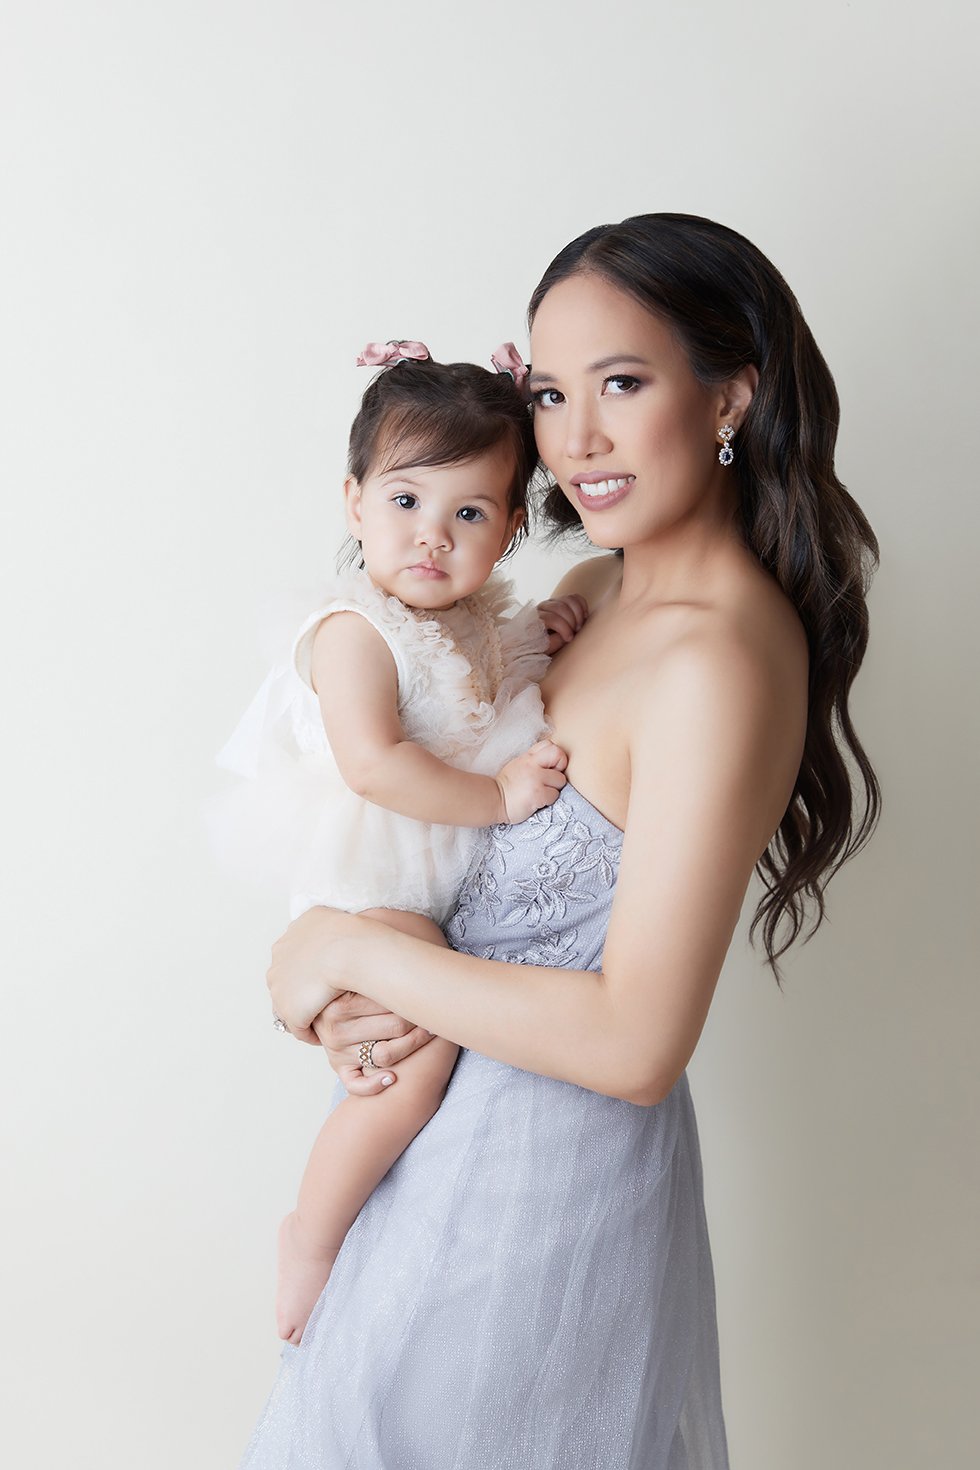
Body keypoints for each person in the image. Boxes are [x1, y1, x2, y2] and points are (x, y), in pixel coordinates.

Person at [244, 214, 881, 1469]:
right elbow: (436, 839)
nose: (573, 439)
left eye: (623, 384)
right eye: (547, 391)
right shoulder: (584, 594)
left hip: (542, 1202)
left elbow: (636, 1044)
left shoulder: (718, 659)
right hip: (420, 1165)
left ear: (729, 397)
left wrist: (344, 952)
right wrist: (318, 981)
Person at [217, 339, 588, 1345]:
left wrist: (550, 631)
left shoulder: (482, 624)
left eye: (469, 513)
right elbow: (377, 764)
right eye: (405, 502)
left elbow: (507, 697)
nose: (432, 536)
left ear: (510, 531)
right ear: (353, 504)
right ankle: (313, 1232)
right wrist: (501, 800)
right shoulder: (352, 632)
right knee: (412, 1067)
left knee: (422, 1057)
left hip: (429, 895)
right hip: (365, 887)